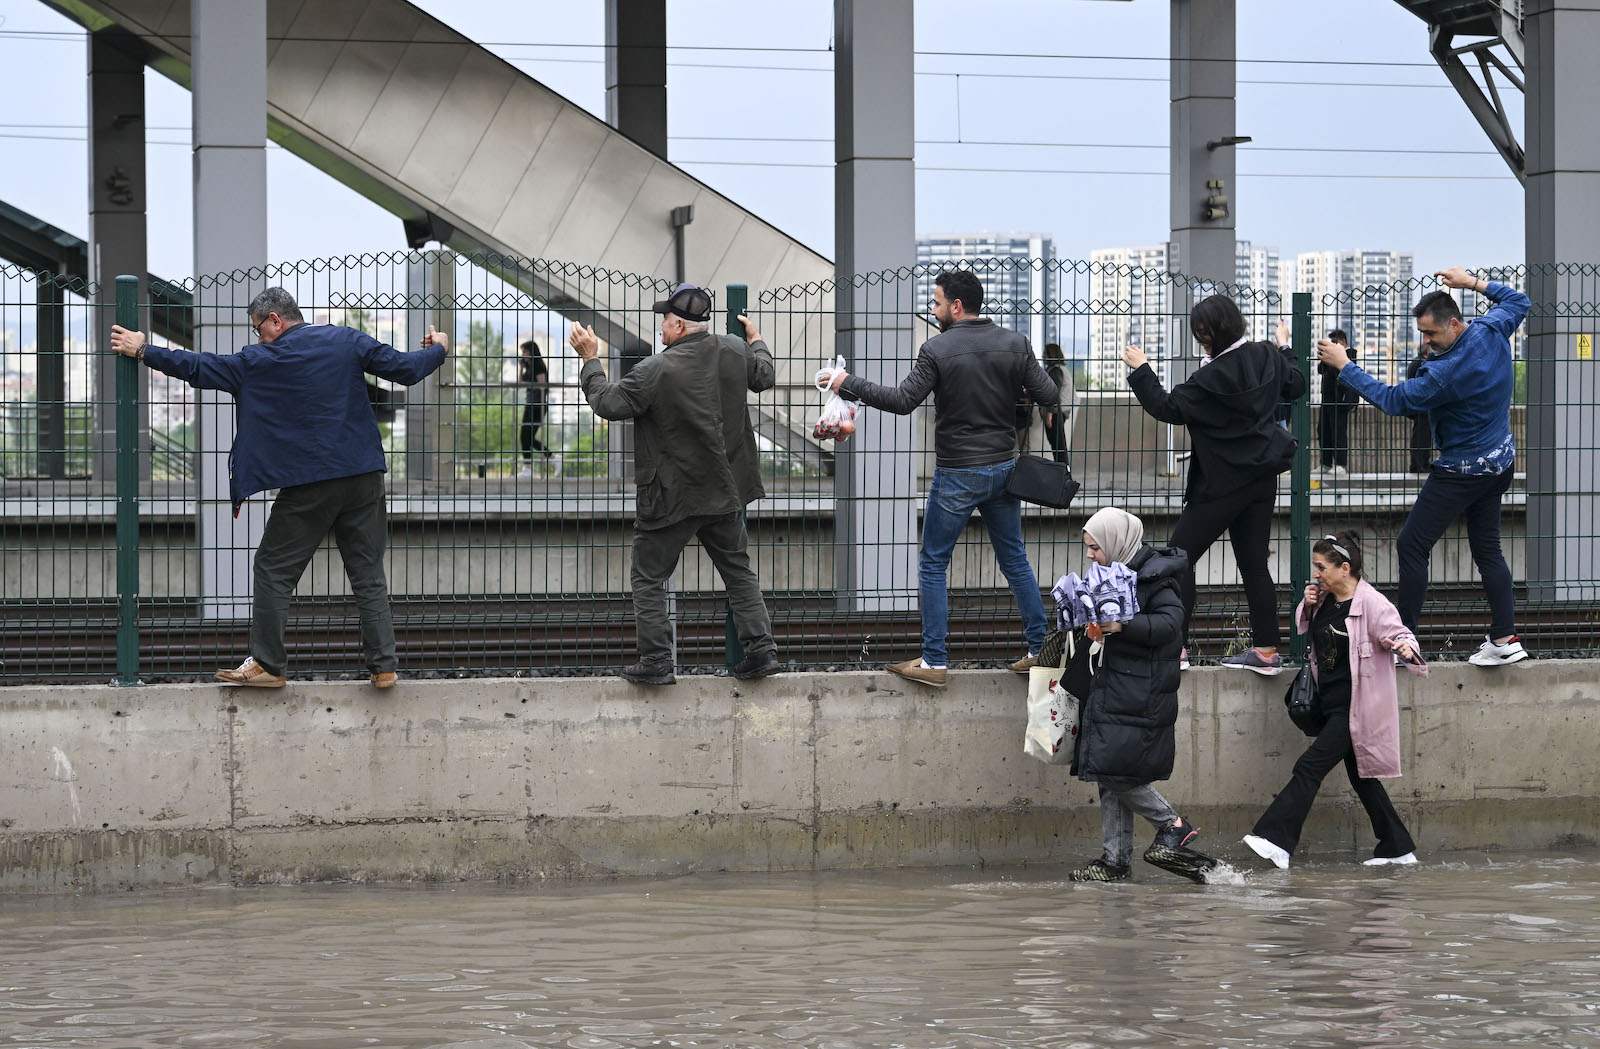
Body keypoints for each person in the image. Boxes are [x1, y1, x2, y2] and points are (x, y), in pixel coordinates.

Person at [108, 287, 449, 688]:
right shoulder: (347, 339)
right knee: (368, 573)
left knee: (272, 569)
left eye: (259, 329)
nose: (257, 338)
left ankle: (268, 664)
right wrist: (439, 349)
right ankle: (384, 666)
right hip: (363, 475)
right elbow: (406, 369)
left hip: (309, 484)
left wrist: (145, 350)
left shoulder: (259, 361)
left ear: (275, 320)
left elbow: (199, 368)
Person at [823, 270, 1059, 687]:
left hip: (957, 473)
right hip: (1004, 469)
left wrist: (847, 383)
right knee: (1015, 559)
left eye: (935, 303)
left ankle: (934, 661)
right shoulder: (1015, 343)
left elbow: (901, 401)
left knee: (933, 564)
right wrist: (1010, 388)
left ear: (956, 306)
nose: (932, 310)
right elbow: (1048, 395)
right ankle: (1040, 649)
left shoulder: (936, 349)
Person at [567, 283, 781, 685]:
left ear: (680, 325)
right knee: (738, 570)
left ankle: (657, 661)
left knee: (648, 575)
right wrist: (757, 340)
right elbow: (764, 375)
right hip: (726, 489)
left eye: (664, 321)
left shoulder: (655, 369)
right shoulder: (735, 350)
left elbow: (607, 404)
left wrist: (591, 359)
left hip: (673, 496)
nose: (661, 329)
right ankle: (761, 650)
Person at [1317, 267, 1529, 666]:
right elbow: (1518, 301)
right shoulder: (1490, 330)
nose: (1426, 344)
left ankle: (1404, 641)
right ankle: (1504, 638)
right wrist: (1472, 283)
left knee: (1411, 546)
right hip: (1500, 462)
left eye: (1431, 334)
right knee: (1488, 550)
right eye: (1422, 335)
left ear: (1453, 323)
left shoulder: (1444, 373)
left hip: (1461, 472)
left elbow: (1392, 400)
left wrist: (1345, 365)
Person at [1122, 296, 1305, 675]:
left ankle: (1175, 650)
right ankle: (1267, 652)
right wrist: (1285, 345)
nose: (1200, 339)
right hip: (1260, 479)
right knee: (1255, 566)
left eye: (1201, 333)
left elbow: (1167, 407)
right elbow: (1296, 385)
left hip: (1221, 484)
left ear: (1208, 335)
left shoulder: (1208, 379)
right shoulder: (1266, 355)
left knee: (1176, 561)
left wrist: (1142, 370)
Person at [1243, 531, 1426, 869]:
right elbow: (1311, 636)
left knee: (1309, 767)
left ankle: (1276, 840)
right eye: (1315, 567)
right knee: (1363, 780)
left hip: (1355, 709)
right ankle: (1398, 848)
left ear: (1344, 568)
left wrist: (1404, 647)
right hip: (1329, 704)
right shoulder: (1325, 600)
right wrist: (1308, 604)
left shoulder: (1371, 602)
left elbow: (1400, 633)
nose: (1316, 573)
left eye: (1321, 567)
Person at [1068, 507, 1217, 884]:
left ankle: (1173, 825)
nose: (1089, 555)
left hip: (1140, 690)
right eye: (1088, 548)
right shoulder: (1106, 575)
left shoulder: (1155, 578)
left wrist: (1124, 624)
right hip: (1115, 684)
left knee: (1115, 769)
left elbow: (1170, 625)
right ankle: (1114, 860)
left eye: (1094, 547)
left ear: (1116, 543)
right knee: (1108, 770)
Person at [1317, 329, 1359, 477]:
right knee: (1323, 429)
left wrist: (1348, 401)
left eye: (1335, 342)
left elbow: (1349, 376)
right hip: (1327, 397)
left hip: (1340, 398)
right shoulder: (1329, 357)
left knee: (1338, 431)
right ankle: (1325, 462)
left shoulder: (1350, 355)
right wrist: (1324, 356)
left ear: (1343, 341)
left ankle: (1340, 464)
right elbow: (1321, 371)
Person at [517, 340, 560, 479]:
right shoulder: (529, 367)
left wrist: (530, 383)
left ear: (531, 352)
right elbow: (519, 382)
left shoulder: (539, 366)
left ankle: (552, 458)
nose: (523, 355)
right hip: (529, 404)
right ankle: (530, 468)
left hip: (538, 405)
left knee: (527, 437)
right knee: (524, 437)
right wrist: (521, 368)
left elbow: (542, 385)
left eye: (524, 352)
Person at [1042, 342, 1072, 464]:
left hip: (1056, 412)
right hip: (1060, 410)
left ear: (1050, 355)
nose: (1043, 356)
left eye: (1045, 353)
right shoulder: (1060, 369)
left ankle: (1063, 474)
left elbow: (1053, 392)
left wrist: (1050, 412)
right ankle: (1063, 473)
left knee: (1058, 446)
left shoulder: (1055, 370)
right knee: (1058, 445)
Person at [1404, 350, 1432, 475]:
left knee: (1423, 436)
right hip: (1421, 406)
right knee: (1421, 436)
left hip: (1419, 406)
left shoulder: (1417, 362)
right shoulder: (1420, 363)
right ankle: (1418, 465)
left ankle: (1421, 463)